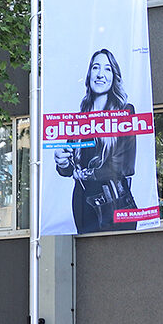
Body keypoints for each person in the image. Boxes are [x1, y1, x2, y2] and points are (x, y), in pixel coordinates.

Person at [55, 49, 139, 233]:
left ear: (114, 76)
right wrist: (62, 162)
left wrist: (84, 174)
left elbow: (124, 165)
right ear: (89, 74)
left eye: (107, 69)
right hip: (83, 206)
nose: (101, 74)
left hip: (115, 203)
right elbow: (68, 170)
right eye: (96, 67)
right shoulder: (79, 119)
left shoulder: (124, 112)